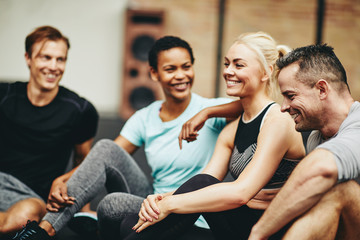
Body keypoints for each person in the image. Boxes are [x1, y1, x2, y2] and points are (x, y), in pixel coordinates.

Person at [12, 35, 237, 240]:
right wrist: (63, 180)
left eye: (186, 67)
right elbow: (102, 159)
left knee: (109, 206)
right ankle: (42, 232)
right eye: (170, 69)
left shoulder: (213, 109)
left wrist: (207, 113)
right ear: (154, 73)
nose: (181, 75)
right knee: (107, 158)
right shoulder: (146, 117)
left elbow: (253, 104)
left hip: (192, 210)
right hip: (153, 203)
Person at [118, 31, 306, 240]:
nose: (228, 71)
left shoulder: (277, 121)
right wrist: (159, 199)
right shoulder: (232, 129)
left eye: (238, 65)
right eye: (227, 64)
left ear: (266, 72)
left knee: (199, 187)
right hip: (236, 224)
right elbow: (206, 178)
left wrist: (169, 205)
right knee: (129, 224)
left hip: (271, 229)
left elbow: (240, 194)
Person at [248, 44, 360, 239]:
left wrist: (258, 233)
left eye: (290, 96)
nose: (283, 108)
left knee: (342, 190)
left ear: (322, 90)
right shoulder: (316, 137)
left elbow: (322, 168)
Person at [0, 26, 99, 239]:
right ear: (28, 58)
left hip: (31, 197)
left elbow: (83, 161)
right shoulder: (5, 95)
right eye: (46, 57)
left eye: (60, 59)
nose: (53, 67)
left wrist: (83, 209)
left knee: (25, 215)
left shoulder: (80, 110)